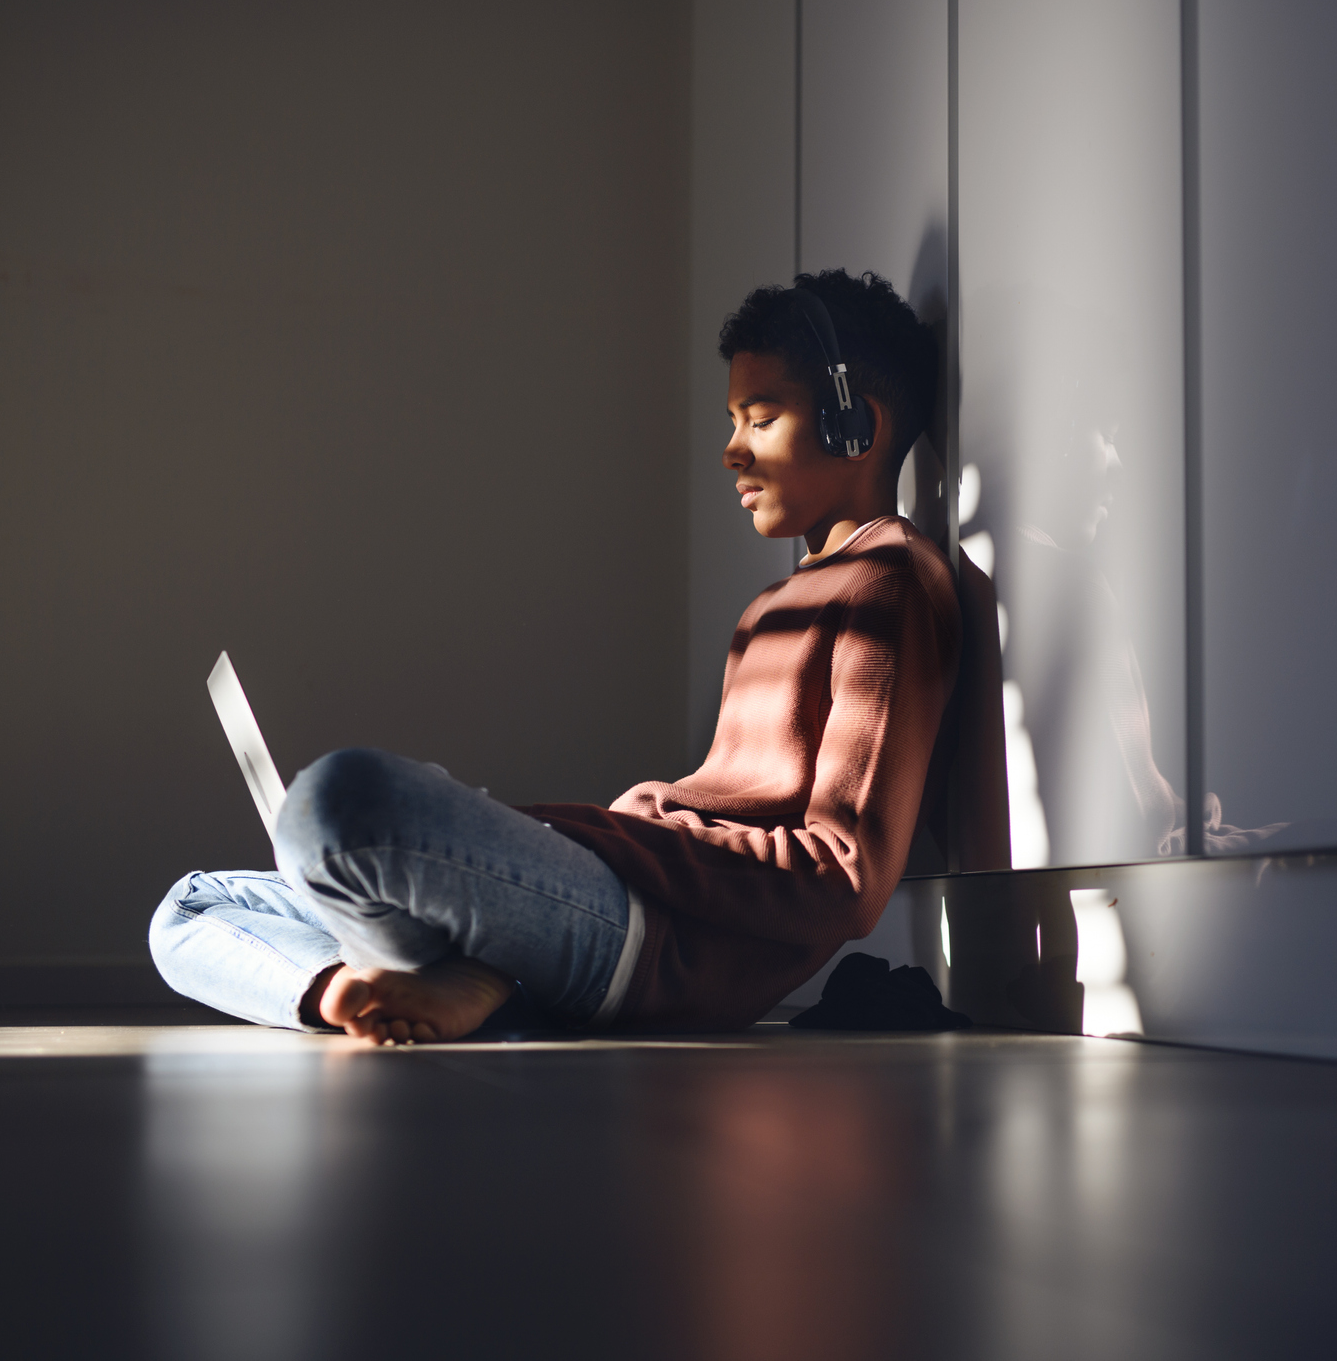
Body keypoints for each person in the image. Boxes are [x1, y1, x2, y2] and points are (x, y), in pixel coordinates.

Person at [148, 271, 958, 1043]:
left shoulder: (888, 583)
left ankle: (468, 973)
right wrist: (599, 836)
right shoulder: (772, 608)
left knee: (337, 799)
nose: (731, 452)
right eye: (732, 421)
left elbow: (844, 880)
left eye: (761, 416)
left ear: (855, 426)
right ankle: (360, 990)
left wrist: (600, 836)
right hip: (616, 888)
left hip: (659, 946)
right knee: (189, 908)